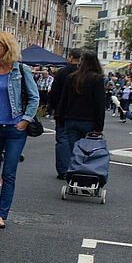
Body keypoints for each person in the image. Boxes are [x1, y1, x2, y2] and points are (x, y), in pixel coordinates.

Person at [0, 31, 39, 229]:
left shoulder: (21, 70)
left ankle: (2, 213)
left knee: (9, 172)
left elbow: (34, 97)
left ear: (6, 48)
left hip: (15, 129)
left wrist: (25, 120)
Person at [53, 51, 107, 161]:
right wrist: (99, 126)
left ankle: (73, 168)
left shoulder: (72, 77)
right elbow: (99, 104)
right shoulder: (97, 79)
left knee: (73, 150)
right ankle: (82, 169)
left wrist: (60, 117)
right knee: (87, 152)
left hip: (71, 118)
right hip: (89, 120)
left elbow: (64, 99)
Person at [47, 49, 83, 179]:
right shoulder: (85, 73)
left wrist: (53, 107)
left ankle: (63, 170)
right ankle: (76, 168)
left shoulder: (62, 73)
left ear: (70, 57)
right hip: (80, 113)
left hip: (62, 111)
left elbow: (55, 92)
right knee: (78, 141)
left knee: (62, 139)